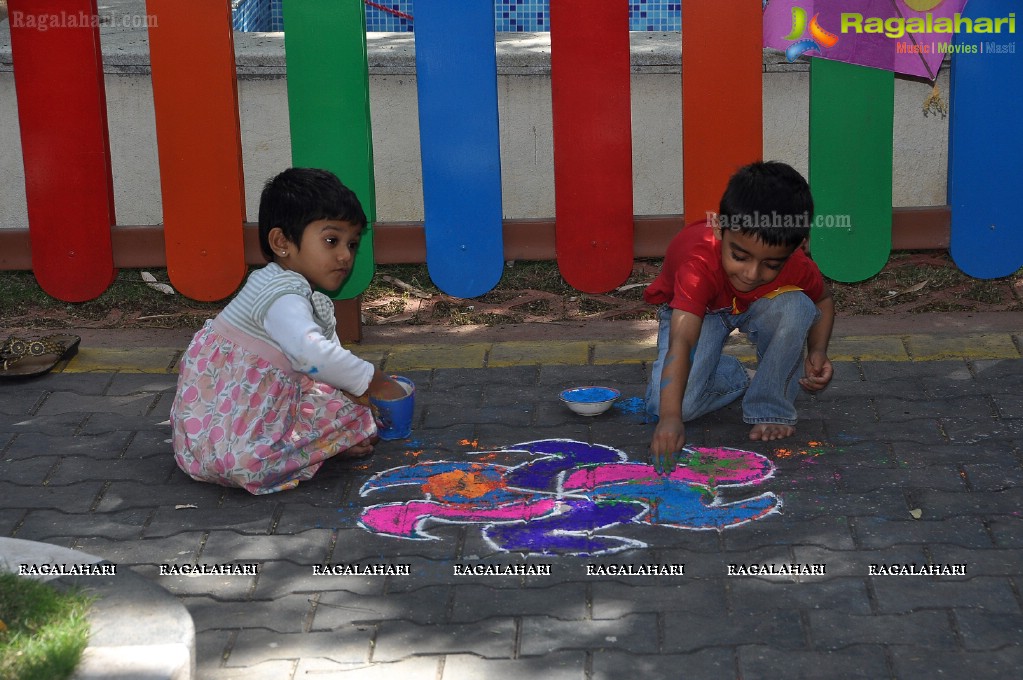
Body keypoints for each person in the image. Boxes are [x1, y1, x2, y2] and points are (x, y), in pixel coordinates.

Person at [170, 168, 405, 494]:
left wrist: (349, 387)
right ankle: (330, 443)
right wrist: (372, 381)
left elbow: (325, 361)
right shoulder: (282, 294)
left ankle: (332, 438)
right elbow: (312, 354)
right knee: (252, 464)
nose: (344, 255)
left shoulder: (295, 293)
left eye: (352, 244)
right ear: (282, 242)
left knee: (351, 412)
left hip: (226, 418)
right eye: (331, 240)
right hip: (240, 418)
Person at [645, 161, 834, 474]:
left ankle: (771, 405)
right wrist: (669, 419)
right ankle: (737, 375)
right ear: (720, 227)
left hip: (755, 306)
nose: (751, 273)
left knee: (797, 306)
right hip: (698, 314)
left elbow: (823, 300)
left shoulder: (795, 263)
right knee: (673, 406)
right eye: (739, 256)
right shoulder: (698, 263)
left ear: (798, 246)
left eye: (771, 265)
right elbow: (683, 338)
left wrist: (818, 350)